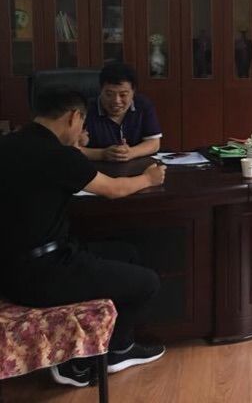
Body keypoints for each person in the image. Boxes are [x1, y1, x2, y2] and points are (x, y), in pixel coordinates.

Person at [0, 88, 168, 388]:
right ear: (73, 117)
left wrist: (76, 147)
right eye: (82, 123)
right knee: (148, 283)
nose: (82, 130)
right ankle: (90, 357)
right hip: (44, 274)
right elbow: (114, 189)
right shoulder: (58, 156)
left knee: (127, 253)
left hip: (9, 269)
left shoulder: (8, 144)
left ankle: (107, 344)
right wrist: (148, 178)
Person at [80, 62, 162, 162]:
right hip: (96, 169)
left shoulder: (143, 105)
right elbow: (71, 149)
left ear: (133, 91)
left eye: (123, 95)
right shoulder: (84, 110)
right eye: (109, 94)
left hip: (137, 168)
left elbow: (154, 142)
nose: (116, 101)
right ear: (101, 90)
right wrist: (102, 154)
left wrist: (131, 153)